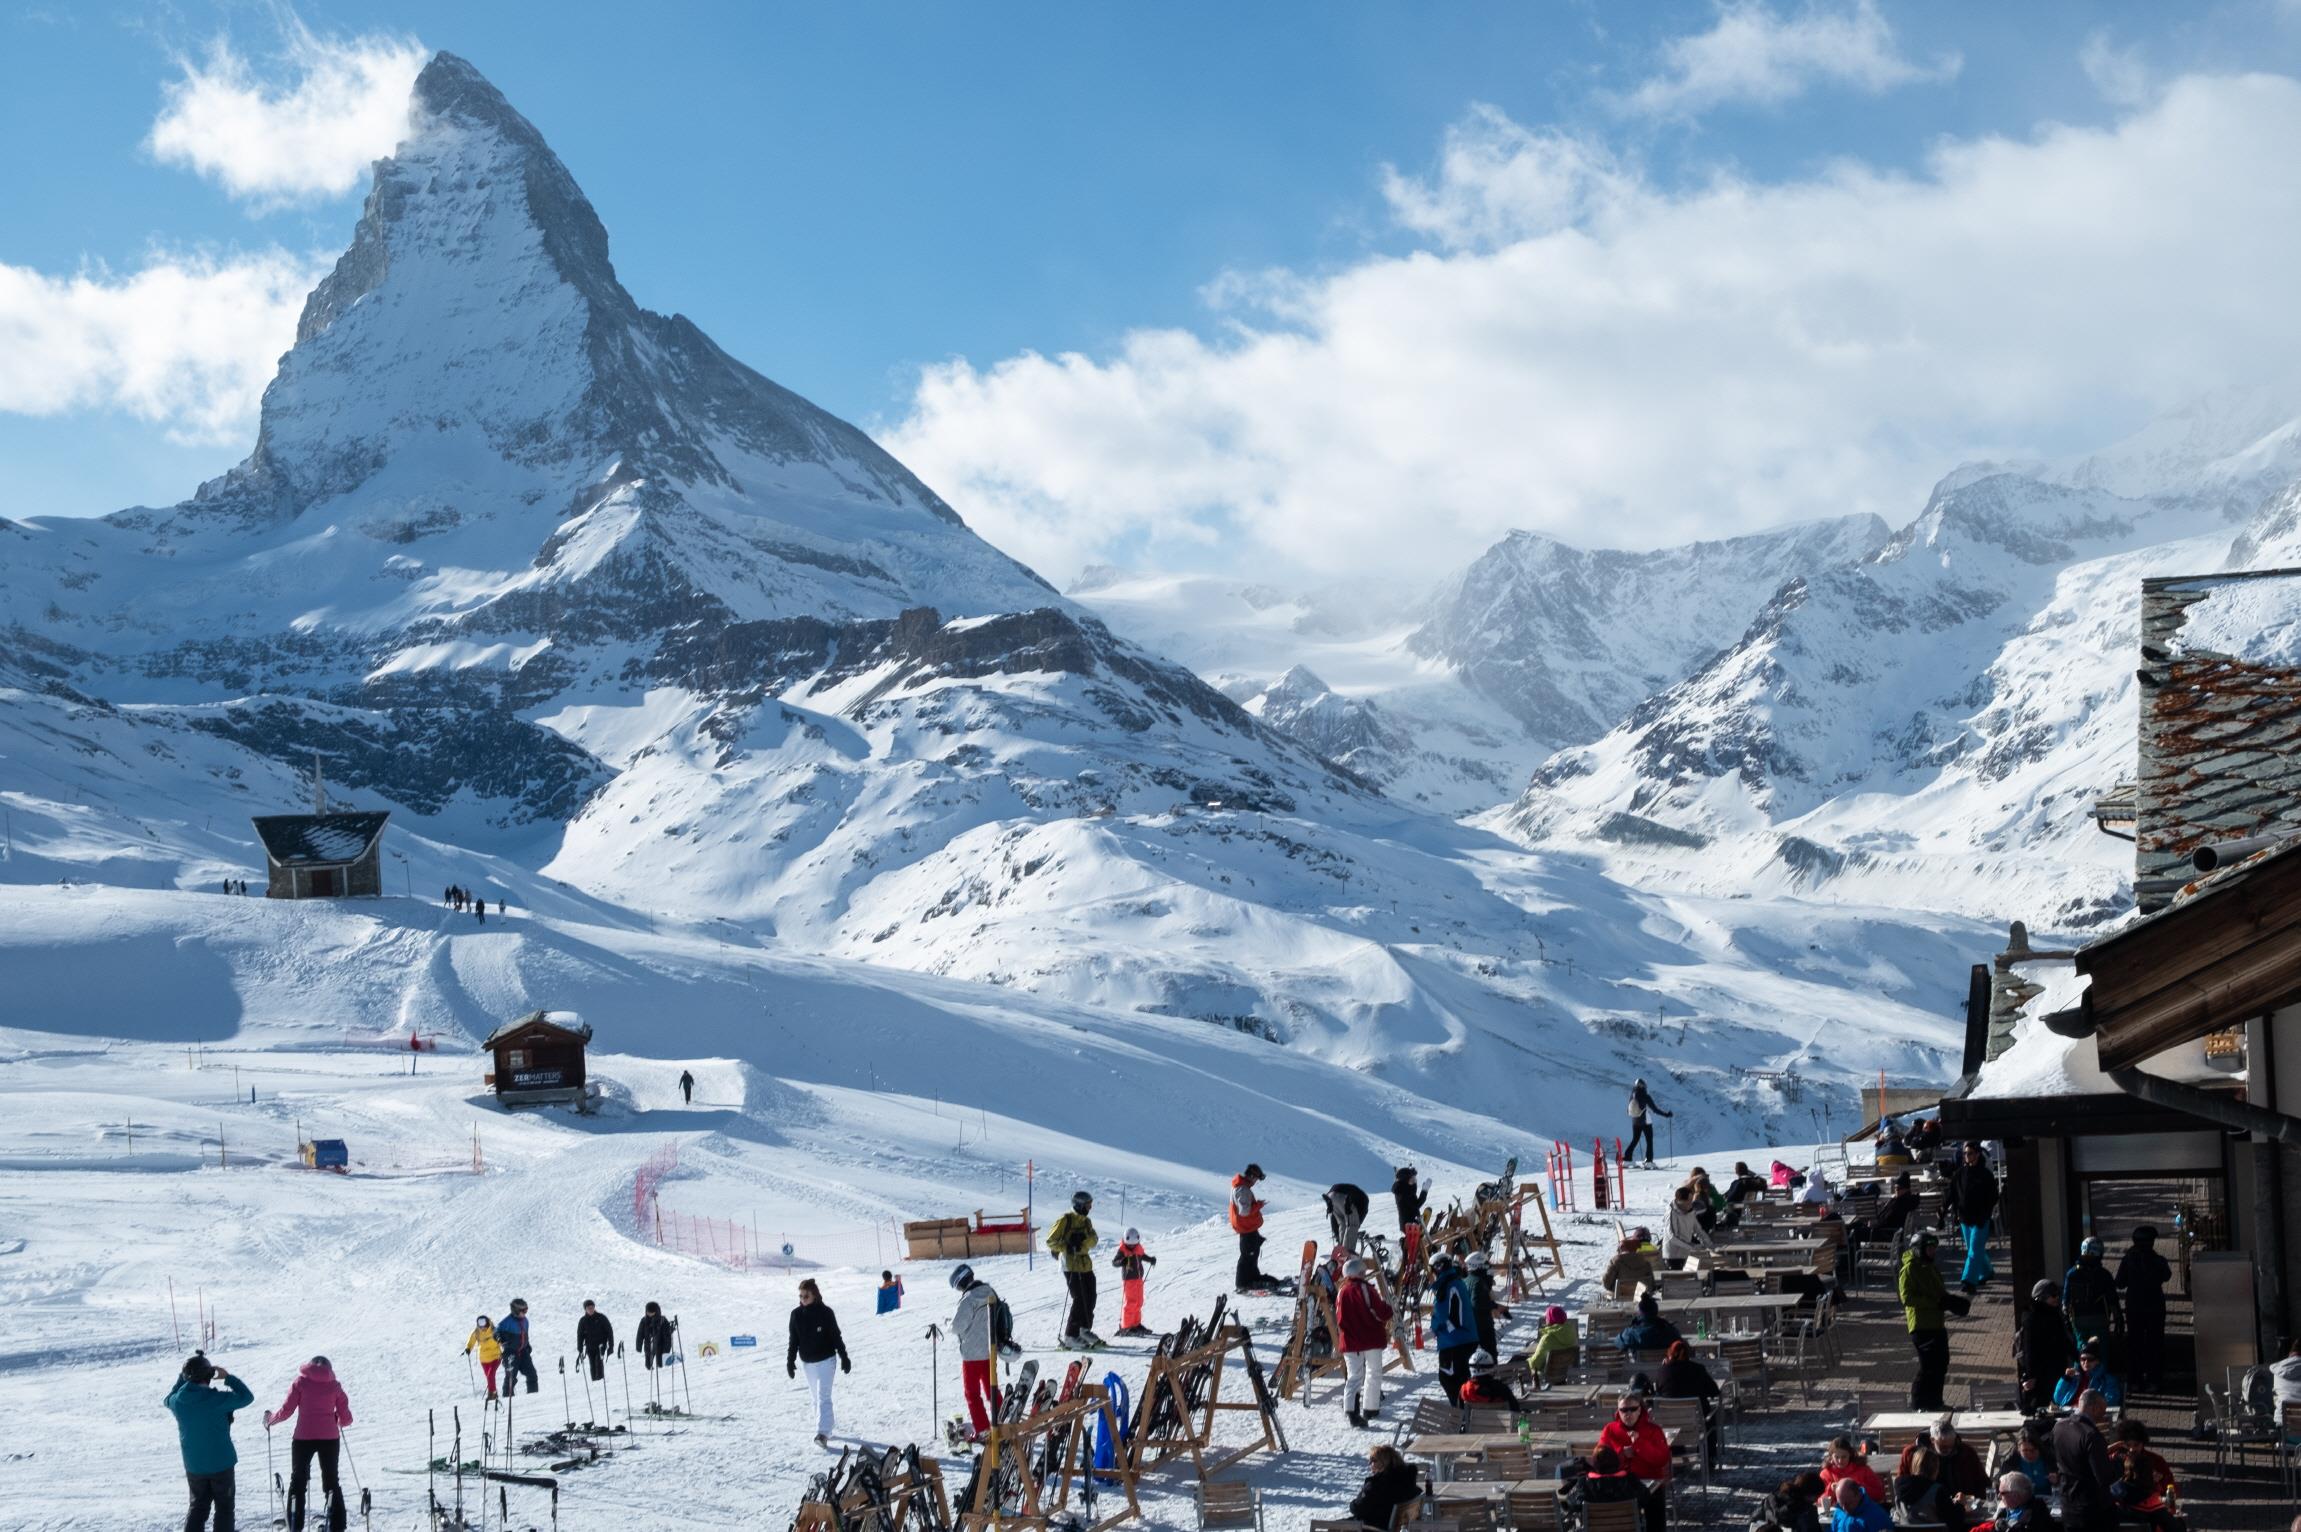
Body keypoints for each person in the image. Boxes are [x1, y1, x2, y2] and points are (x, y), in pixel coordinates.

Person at [167, 1352, 254, 1532]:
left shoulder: (178, 1402)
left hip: (194, 1465)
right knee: (224, 1508)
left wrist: (184, 1376)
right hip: (221, 1463)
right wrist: (228, 1378)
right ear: (209, 1376)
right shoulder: (218, 1399)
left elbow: (169, 1397)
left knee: (198, 1507)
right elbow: (247, 1397)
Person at [264, 1356, 353, 1532]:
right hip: (329, 1438)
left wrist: (270, 1420)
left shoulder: (300, 1383)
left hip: (303, 1437)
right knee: (331, 1480)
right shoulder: (334, 1386)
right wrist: (338, 1420)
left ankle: (294, 1523)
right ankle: (337, 1525)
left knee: (298, 1480)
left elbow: (286, 1410)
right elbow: (347, 1419)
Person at [949, 1264, 1014, 1440]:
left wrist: (949, 1323)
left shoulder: (968, 1299)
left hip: (972, 1354)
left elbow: (957, 1326)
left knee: (972, 1393)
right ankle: (1002, 1420)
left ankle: (984, 1428)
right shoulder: (989, 1291)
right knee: (991, 1387)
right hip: (990, 1348)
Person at [1892, 1415, 1989, 1531]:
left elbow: (1983, 1484)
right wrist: (1959, 1506)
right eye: (1943, 1446)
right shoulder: (1911, 1455)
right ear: (1932, 1440)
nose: (1948, 1449)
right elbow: (1955, 1521)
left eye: (1951, 1445)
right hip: (1938, 1519)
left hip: (1916, 1522)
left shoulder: (1966, 1453)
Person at [1900, 1230, 1960, 1410]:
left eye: (1934, 1248)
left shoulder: (1930, 1266)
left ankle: (1936, 1401)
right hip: (1921, 1326)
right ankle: (1919, 1402)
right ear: (1919, 1249)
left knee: (1941, 1363)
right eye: (1930, 1249)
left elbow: (1938, 1290)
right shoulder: (1909, 1268)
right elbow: (1907, 1298)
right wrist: (1935, 1302)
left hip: (1936, 1322)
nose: (1933, 1252)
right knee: (1929, 1366)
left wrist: (1950, 1300)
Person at [1596, 1390, 1672, 1532]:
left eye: (1632, 1409)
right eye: (1623, 1410)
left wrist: (1639, 1445)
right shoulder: (1610, 1430)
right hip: (1618, 1482)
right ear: (1618, 1411)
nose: (1628, 1413)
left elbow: (1662, 1459)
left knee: (1655, 1506)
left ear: (1640, 1410)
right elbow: (1599, 1459)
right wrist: (1621, 1453)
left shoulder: (1653, 1430)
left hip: (1649, 1482)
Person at [1332, 1255, 1394, 1427]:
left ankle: (1351, 1411)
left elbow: (1340, 1319)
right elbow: (1381, 1311)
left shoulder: (1341, 1292)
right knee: (1373, 1372)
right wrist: (1389, 1310)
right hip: (1370, 1337)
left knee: (1354, 1377)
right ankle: (1370, 1408)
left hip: (1350, 1341)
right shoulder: (1366, 1289)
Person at [787, 1278, 850, 1446]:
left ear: (814, 1295)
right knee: (815, 1398)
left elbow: (836, 1336)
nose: (802, 1299)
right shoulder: (796, 1315)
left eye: (805, 1296)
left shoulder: (826, 1312)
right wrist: (790, 1361)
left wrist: (844, 1356)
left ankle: (822, 1433)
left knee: (823, 1396)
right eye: (800, 1296)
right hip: (808, 1363)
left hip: (826, 1360)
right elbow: (793, 1340)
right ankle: (826, 1427)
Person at [2052, 1390, 2118, 1532]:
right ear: (2094, 1408)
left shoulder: (2059, 1427)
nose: (2103, 1415)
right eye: (2103, 1409)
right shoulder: (2091, 1435)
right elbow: (2104, 1477)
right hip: (2091, 1510)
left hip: (2067, 1504)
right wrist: (2118, 1464)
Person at [2117, 1226, 2173, 1390]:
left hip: (2134, 1307)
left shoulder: (2128, 1259)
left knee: (2135, 1343)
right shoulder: (2157, 1259)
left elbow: (2120, 1283)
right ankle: (2154, 1380)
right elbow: (2167, 1275)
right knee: (2155, 1343)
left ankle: (2135, 1380)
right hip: (2155, 1306)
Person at [1047, 1190, 1103, 1347]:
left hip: (1085, 1264)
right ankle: (1070, 1335)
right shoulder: (1066, 1220)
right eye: (1088, 1205)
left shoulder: (1086, 1221)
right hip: (1070, 1265)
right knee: (1079, 1299)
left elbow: (1094, 1239)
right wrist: (1068, 1245)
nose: (1090, 1208)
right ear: (1079, 1205)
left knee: (1091, 1296)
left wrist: (1082, 1243)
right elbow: (1050, 1241)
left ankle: (1084, 1330)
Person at [2107, 1418, 2182, 1531]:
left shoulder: (2156, 1460)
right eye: (2128, 1445)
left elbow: (2171, 1487)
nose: (2132, 1449)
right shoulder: (2115, 1460)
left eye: (2136, 1445)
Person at [1655, 1339, 1722, 1463]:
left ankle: (1676, 1450)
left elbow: (1658, 1393)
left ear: (1669, 1354)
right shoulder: (1697, 1369)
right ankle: (1709, 1456)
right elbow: (1714, 1391)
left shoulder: (1662, 1372)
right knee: (1711, 1416)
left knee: (1672, 1412)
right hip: (1697, 1422)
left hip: (1670, 1424)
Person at [2015, 1280, 2074, 1413]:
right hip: (2041, 1373)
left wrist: (2076, 1355)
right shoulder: (2031, 1317)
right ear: (2041, 1297)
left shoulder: (2054, 1313)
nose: (2057, 1298)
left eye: (2058, 1295)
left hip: (2057, 1367)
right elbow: (2029, 1349)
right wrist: (2031, 1376)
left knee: (2057, 1405)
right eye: (2053, 1295)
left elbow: (2063, 1339)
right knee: (2041, 1406)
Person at [1948, 1142, 1999, 1294]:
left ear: (1977, 1154)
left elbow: (1993, 1196)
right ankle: (1987, 1271)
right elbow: (1952, 1193)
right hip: (1965, 1218)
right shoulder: (1960, 1173)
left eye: (1969, 1153)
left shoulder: (1985, 1174)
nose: (1966, 1156)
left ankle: (1969, 1280)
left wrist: (1986, 1212)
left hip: (1980, 1218)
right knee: (1974, 1249)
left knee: (1974, 1250)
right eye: (1965, 1153)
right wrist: (1944, 1210)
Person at [1429, 1252, 1479, 1403]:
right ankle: (1466, 1413)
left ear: (1439, 1267)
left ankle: (1463, 1416)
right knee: (1461, 1378)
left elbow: (1441, 1314)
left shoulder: (1446, 1285)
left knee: (1449, 1379)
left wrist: (1434, 1327)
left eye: (1433, 1269)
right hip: (1466, 1336)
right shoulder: (1457, 1281)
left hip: (1454, 1340)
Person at [2063, 1237, 2121, 1358]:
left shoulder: (2072, 1273)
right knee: (2100, 1354)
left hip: (2078, 1320)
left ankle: (2081, 1375)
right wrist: (2118, 1319)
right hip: (2099, 1318)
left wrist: (2067, 1321)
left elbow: (2066, 1300)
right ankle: (2099, 1376)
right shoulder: (2104, 1274)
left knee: (2082, 1352)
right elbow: (2112, 1300)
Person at [1347, 1444, 1422, 1530]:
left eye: (1373, 1460)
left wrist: (1353, 1504)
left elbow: (1358, 1509)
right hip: (1392, 1526)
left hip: (1374, 1527)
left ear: (1384, 1462)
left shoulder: (1377, 1485)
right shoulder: (1407, 1481)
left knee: (1335, 1525)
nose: (1370, 1464)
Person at [1230, 1164, 1273, 1291]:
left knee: (1252, 1255)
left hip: (1249, 1228)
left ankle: (1253, 1278)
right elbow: (1244, 1211)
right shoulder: (1242, 1189)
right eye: (1256, 1179)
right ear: (1251, 1176)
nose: (1256, 1182)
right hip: (1246, 1229)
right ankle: (1242, 1284)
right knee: (1247, 1256)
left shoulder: (1243, 1188)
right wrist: (1258, 1205)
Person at [2053, 1339, 2125, 1409]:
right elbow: (2058, 1399)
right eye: (2083, 1359)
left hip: (2090, 1416)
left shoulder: (2108, 1379)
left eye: (2090, 1359)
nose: (2086, 1362)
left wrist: (2085, 1408)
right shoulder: (2074, 1377)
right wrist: (2065, 1379)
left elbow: (2111, 1401)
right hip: (2069, 1413)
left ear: (2097, 1361)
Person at [1819, 1436, 1888, 1508]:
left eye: (1844, 1457)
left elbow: (1879, 1494)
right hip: (1836, 1513)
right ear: (1831, 1457)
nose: (1840, 1461)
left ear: (1850, 1454)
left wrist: (1859, 1488)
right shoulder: (1826, 1474)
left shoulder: (1863, 1469)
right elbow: (1818, 1500)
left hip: (1863, 1511)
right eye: (1837, 1457)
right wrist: (1830, 1490)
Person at [1111, 1228, 1158, 1337]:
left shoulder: (1137, 1248)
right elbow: (1114, 1262)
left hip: (1138, 1279)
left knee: (1139, 1302)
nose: (1132, 1247)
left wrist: (1150, 1259)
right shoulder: (1122, 1250)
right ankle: (1127, 1326)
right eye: (1130, 1245)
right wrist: (1121, 1262)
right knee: (1131, 1303)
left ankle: (1136, 1324)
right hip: (1129, 1280)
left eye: (1134, 1245)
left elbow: (1142, 1256)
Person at [1464, 1250, 1509, 1357]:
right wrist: (1495, 1306)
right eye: (1485, 1264)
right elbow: (1477, 1303)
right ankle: (1491, 1373)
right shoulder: (1478, 1282)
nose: (1488, 1267)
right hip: (1482, 1325)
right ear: (1478, 1265)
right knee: (1490, 1354)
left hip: (1470, 1325)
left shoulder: (1466, 1280)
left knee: (1469, 1356)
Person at [1522, 1303, 1579, 1386]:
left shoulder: (1548, 1338)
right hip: (1564, 1373)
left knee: (1517, 1360)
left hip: (1547, 1375)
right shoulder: (1571, 1334)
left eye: (1547, 1317)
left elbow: (1535, 1364)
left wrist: (1527, 1361)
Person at [1753, 1471, 1827, 1532]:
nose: (1816, 1500)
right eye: (1816, 1496)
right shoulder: (1807, 1511)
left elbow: (1754, 1520)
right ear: (1809, 1494)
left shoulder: (1772, 1499)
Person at [1615, 1291, 1683, 1355]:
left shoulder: (1629, 1334)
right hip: (1664, 1365)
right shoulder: (1669, 1332)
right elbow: (1679, 1343)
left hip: (1638, 1366)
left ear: (1640, 1312)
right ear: (1656, 1311)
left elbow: (1617, 1343)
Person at [495, 1298, 538, 1395]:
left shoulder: (525, 1321)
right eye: (522, 1311)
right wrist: (499, 1338)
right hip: (510, 1352)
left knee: (532, 1374)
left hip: (523, 1351)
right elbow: (496, 1331)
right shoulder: (506, 1322)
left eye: (526, 1310)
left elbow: (525, 1335)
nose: (525, 1313)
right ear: (515, 1310)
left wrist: (527, 1345)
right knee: (511, 1378)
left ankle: (533, 1397)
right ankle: (508, 1398)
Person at [1663, 1184, 1713, 1265]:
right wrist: (1692, 1246)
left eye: (1691, 1201)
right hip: (1673, 1257)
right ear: (1680, 1201)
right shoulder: (1672, 1213)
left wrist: (1709, 1244)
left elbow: (1698, 1230)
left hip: (1686, 1254)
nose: (1690, 1204)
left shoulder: (1691, 1212)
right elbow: (1672, 1237)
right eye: (1688, 1202)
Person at [1627, 1078, 1671, 1167]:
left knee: (1635, 1140)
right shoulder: (1645, 1096)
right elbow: (1655, 1110)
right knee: (1649, 1141)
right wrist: (1666, 1115)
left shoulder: (1632, 1094)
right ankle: (1649, 1161)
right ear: (1643, 1086)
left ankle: (1627, 1159)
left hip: (1635, 1120)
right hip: (1645, 1121)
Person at [1391, 1165, 1428, 1265]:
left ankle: (1411, 1261)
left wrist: (1414, 1181)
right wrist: (1424, 1191)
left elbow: (1412, 1193)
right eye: (1412, 1179)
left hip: (1410, 1222)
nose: (1414, 1180)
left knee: (1414, 1247)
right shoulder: (1404, 1192)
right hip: (1409, 1225)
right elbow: (1416, 1204)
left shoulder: (1404, 1189)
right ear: (1406, 1179)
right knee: (1412, 1249)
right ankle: (1409, 1263)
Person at [462, 1316, 502, 1400]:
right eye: (480, 1325)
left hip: (496, 1356)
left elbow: (500, 1339)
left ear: (487, 1323)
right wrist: (468, 1348)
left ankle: (492, 1393)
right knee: (488, 1376)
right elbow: (471, 1340)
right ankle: (493, 1392)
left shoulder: (494, 1330)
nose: (482, 1327)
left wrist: (506, 1349)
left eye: (484, 1324)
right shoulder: (477, 1332)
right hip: (484, 1359)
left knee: (491, 1375)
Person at [1324, 1182, 1371, 1251]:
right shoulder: (1364, 1201)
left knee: (1342, 1224)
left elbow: (1334, 1220)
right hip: (1344, 1197)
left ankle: (1340, 1250)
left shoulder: (1358, 1195)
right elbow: (1356, 1221)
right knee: (1352, 1225)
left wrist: (1337, 1236)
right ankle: (1347, 1252)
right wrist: (1356, 1226)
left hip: (1330, 1196)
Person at [576, 1300, 613, 1383]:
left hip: (601, 1346)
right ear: (585, 1309)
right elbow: (580, 1335)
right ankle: (594, 1382)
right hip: (590, 1347)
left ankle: (600, 1381)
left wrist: (611, 1346)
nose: (591, 1309)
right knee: (592, 1365)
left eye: (592, 1307)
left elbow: (609, 1332)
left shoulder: (601, 1318)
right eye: (589, 1308)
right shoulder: (583, 1321)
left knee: (598, 1363)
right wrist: (580, 1349)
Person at [636, 1302, 675, 1370]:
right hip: (648, 1345)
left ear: (656, 1312)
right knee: (648, 1365)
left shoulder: (663, 1320)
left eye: (651, 1312)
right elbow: (640, 1334)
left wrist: (667, 1349)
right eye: (648, 1312)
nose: (649, 1313)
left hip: (660, 1345)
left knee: (660, 1364)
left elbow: (667, 1336)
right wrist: (638, 1346)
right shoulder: (644, 1321)